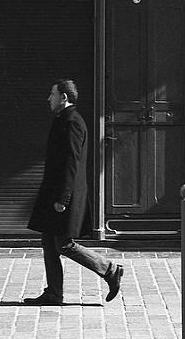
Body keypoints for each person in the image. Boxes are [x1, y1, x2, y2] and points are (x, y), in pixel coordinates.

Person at [25, 79, 123, 305]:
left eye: (52, 94)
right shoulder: (63, 120)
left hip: (62, 193)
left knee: (63, 243)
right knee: (49, 242)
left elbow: (72, 162)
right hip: (54, 192)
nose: (49, 98)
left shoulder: (72, 122)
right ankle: (53, 293)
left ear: (64, 97)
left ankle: (110, 269)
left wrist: (63, 197)